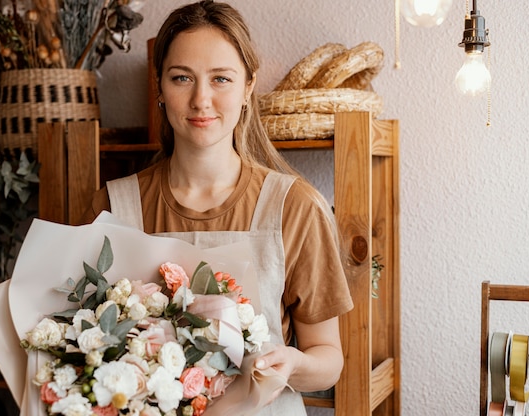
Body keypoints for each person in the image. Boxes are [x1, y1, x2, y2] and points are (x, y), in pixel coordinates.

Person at [81, 1, 353, 414]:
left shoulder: (295, 207)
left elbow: (328, 359)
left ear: (248, 88)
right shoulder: (110, 206)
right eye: (181, 78)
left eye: (221, 79)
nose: (200, 99)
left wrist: (294, 363)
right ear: (159, 87)